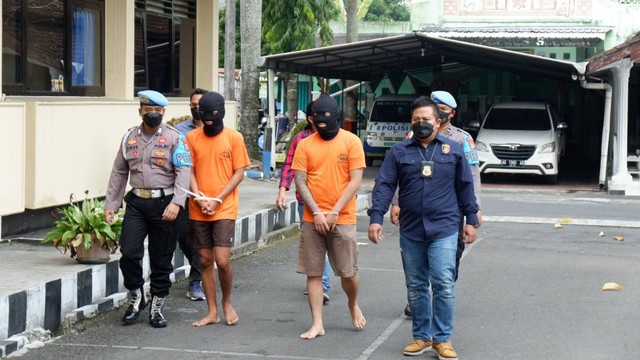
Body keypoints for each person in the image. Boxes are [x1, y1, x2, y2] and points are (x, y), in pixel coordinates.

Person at [367, 96, 479, 359]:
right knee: (416, 286)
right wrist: (375, 217)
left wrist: (471, 220)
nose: (421, 124)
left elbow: (466, 186)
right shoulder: (399, 152)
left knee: (443, 283)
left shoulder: (454, 149)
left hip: (445, 228)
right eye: (416, 120)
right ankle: (421, 337)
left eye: (426, 119)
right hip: (411, 230)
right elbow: (384, 185)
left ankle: (443, 340)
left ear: (438, 121)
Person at [104, 90, 192, 328]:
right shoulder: (129, 137)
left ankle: (157, 304)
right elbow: (119, 171)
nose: (152, 113)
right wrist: (112, 203)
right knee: (129, 253)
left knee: (161, 258)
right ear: (140, 110)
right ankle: (137, 295)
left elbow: (184, 172)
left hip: (166, 204)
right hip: (136, 203)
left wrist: (177, 203)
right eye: (148, 109)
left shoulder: (176, 138)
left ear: (163, 112)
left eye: (157, 110)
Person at [392, 91, 483, 318]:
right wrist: (396, 202)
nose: (436, 112)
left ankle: (442, 295)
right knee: (416, 257)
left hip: (450, 208)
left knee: (450, 257)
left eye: (442, 108)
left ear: (450, 113)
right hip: (416, 208)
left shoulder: (462, 139)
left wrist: (475, 209)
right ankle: (419, 301)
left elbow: (472, 175)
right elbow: (402, 172)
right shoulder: (411, 136)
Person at [291, 94, 368, 340]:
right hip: (313, 217)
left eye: (328, 121)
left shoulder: (351, 142)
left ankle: (352, 303)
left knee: (348, 272)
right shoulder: (305, 144)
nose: (322, 127)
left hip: (342, 217)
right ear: (312, 121)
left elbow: (355, 180)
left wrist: (335, 210)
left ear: (336, 118)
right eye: (317, 122)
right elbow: (300, 181)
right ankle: (317, 323)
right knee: (313, 272)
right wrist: (316, 212)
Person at [186, 91, 250, 327]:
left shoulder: (234, 138)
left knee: (222, 260)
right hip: (198, 206)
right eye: (205, 116)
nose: (208, 122)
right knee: (204, 259)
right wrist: (199, 196)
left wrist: (218, 199)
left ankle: (227, 302)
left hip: (224, 207)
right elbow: (189, 170)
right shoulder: (192, 138)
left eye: (212, 116)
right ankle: (212, 311)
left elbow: (239, 173)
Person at [275, 101, 331, 304]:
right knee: (314, 243)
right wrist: (282, 190)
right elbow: (289, 165)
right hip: (305, 202)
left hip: (332, 202)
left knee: (329, 243)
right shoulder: (301, 139)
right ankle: (321, 284)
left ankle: (322, 282)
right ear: (311, 119)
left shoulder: (338, 138)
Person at [174, 88, 208, 301]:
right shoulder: (179, 131)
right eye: (193, 106)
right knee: (183, 237)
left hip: (208, 196)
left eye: (201, 106)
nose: (197, 109)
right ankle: (201, 267)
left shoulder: (217, 131)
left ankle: (196, 280)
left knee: (201, 239)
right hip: (183, 195)